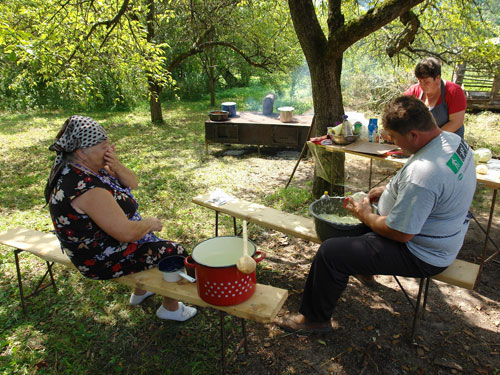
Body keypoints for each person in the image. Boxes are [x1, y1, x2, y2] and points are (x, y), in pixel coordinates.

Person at [276, 96, 476, 332]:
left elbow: (400, 233)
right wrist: (389, 190)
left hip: (422, 253)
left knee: (330, 252)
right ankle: (365, 269)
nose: (397, 147)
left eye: (396, 140)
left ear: (413, 134)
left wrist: (366, 216)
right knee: (346, 231)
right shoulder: (452, 141)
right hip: (441, 234)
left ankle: (315, 320)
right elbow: (430, 188)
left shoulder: (424, 177)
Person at [45, 115, 197, 322]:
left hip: (106, 241)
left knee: (149, 240)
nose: (110, 149)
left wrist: (116, 166)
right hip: (99, 258)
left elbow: (132, 183)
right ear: (81, 152)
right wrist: (149, 223)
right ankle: (170, 309)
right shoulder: (85, 188)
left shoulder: (88, 168)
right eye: (104, 146)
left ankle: (141, 292)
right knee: (173, 252)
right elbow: (125, 233)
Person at [404, 57, 467, 138]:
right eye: (419, 81)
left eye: (426, 82)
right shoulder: (414, 91)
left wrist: (431, 138)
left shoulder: (454, 91)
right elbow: (400, 112)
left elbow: (456, 122)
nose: (422, 85)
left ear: (437, 78)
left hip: (450, 142)